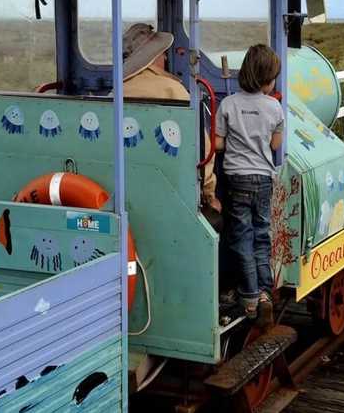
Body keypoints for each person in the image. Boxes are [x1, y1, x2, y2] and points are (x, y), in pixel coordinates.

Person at [215, 44, 284, 327]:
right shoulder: (275, 106)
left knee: (241, 236)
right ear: (268, 79)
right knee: (261, 234)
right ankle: (266, 292)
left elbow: (217, 144)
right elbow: (275, 144)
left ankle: (251, 297)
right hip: (263, 179)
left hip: (236, 178)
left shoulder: (228, 104)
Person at [121, 23, 219, 211]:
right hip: (175, 188)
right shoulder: (174, 90)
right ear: (153, 57)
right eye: (161, 52)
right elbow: (202, 148)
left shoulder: (116, 92)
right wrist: (208, 193)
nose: (166, 56)